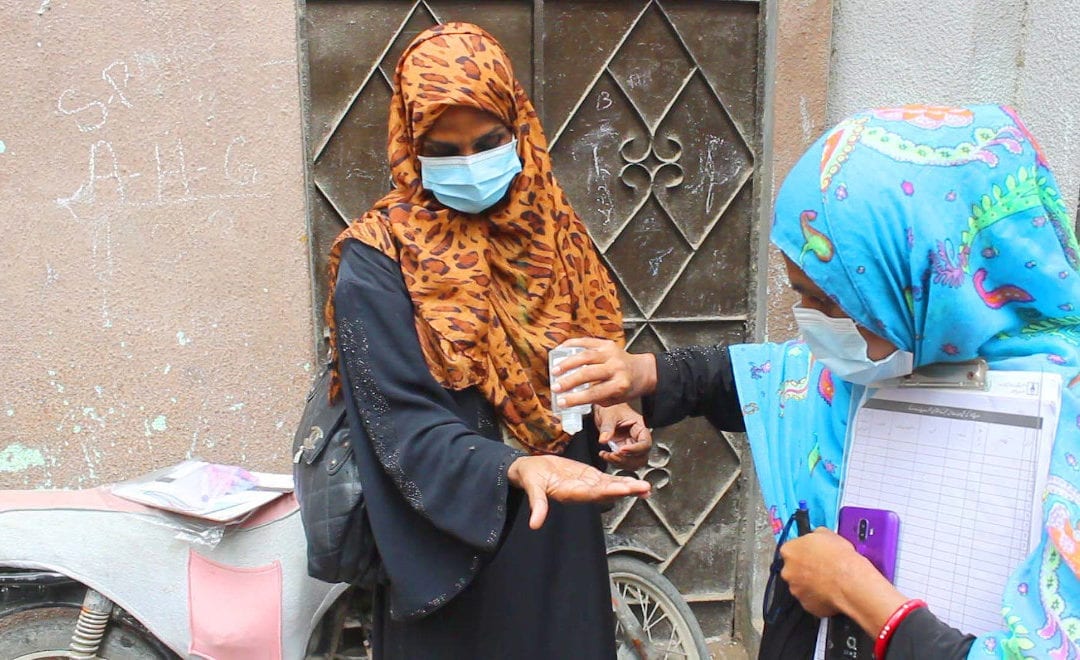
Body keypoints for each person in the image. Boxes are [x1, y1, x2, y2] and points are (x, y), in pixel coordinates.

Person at [552, 104, 1080, 658]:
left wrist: (861, 598)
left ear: (922, 279)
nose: (810, 322)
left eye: (827, 299)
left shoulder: (1058, 426)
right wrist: (640, 374)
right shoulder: (886, 364)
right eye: (801, 292)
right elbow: (762, 377)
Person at [323, 22, 655, 660]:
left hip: (559, 541)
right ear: (408, 145)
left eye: (489, 141)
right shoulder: (376, 260)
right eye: (442, 149)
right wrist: (511, 466)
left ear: (519, 128)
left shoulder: (554, 233)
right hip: (448, 557)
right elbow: (399, 428)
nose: (471, 164)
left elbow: (596, 350)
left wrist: (617, 409)